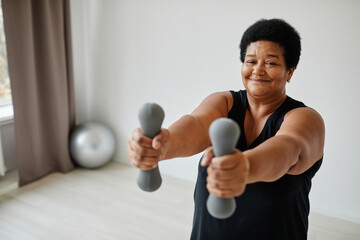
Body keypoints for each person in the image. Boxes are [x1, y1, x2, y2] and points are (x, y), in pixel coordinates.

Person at [128, 18, 325, 240]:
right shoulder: (224, 102)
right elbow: (197, 124)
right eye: (250, 61)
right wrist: (163, 146)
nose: (257, 70)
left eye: (270, 63)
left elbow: (286, 149)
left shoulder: (306, 119)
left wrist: (245, 167)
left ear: (290, 72)